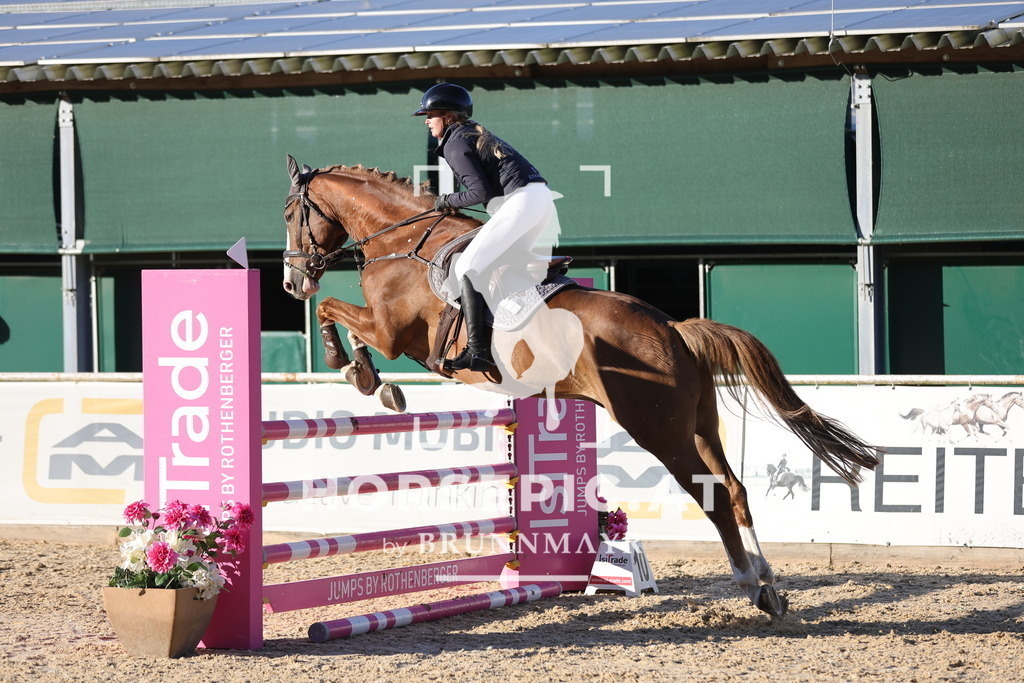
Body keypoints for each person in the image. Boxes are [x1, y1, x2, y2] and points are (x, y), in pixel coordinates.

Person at [413, 83, 557, 373]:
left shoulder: (455, 141)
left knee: (466, 267)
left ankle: (478, 351)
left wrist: (446, 200)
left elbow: (477, 193)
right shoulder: (471, 133)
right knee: (492, 262)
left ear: (449, 117)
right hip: (538, 201)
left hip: (522, 203)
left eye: (431, 115)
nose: (427, 121)